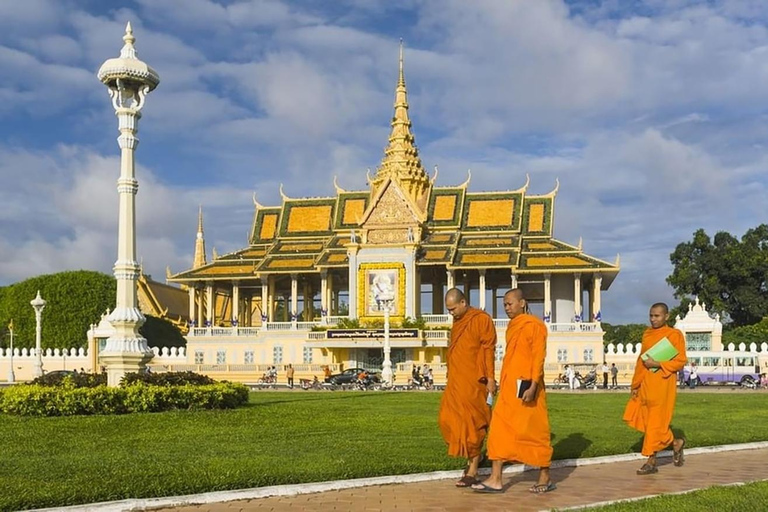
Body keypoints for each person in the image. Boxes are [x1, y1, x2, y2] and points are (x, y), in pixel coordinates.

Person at [472, 289, 555, 494]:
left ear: (522, 303)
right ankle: (496, 478)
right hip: (510, 387)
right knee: (499, 429)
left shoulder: (534, 325)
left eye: (510, 304)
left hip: (528, 387)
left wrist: (534, 384)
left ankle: (544, 475)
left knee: (534, 432)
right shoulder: (513, 326)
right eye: (505, 305)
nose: (507, 308)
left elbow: (538, 357)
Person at [437, 288, 497, 488]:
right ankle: (472, 458)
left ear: (463, 302)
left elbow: (488, 349)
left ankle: (472, 468)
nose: (451, 313)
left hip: (474, 381)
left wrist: (490, 378)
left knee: (472, 424)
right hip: (456, 381)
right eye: (448, 310)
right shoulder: (457, 322)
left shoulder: (481, 319)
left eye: (453, 308)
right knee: (446, 420)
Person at [623, 303, 687, 475]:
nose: (653, 319)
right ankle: (675, 443)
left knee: (654, 423)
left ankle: (651, 461)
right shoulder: (647, 334)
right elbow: (641, 362)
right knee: (648, 421)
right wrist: (635, 385)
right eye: (651, 315)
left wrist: (657, 363)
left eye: (657, 316)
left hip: (663, 384)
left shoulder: (674, 335)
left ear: (667, 316)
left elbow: (681, 361)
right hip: (646, 384)